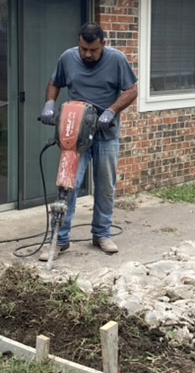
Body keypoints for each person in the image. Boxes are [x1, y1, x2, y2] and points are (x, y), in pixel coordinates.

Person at [39, 22, 138, 260]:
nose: (87, 54)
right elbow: (55, 82)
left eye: (93, 49)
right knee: (67, 185)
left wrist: (111, 111)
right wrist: (50, 104)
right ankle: (59, 240)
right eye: (83, 48)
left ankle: (102, 234)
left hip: (106, 133)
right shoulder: (67, 58)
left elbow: (131, 90)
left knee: (105, 186)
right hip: (75, 134)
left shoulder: (116, 60)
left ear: (103, 44)